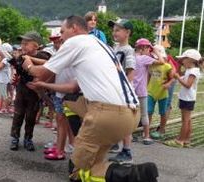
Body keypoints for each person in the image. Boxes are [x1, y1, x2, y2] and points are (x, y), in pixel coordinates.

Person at [22, 15, 158, 182]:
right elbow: (73, 87)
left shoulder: (75, 42)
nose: (61, 37)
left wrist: (28, 63)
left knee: (76, 172)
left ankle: (135, 175)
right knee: (93, 164)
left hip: (107, 114)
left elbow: (41, 72)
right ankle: (129, 173)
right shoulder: (102, 46)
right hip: (130, 115)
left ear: (74, 29)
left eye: (63, 32)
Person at [9, 31, 50, 152]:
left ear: (36, 46)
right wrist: (15, 77)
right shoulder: (21, 57)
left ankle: (28, 139)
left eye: (26, 44)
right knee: (18, 115)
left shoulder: (43, 56)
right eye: (22, 43)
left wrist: (29, 59)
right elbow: (18, 70)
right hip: (22, 90)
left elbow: (49, 64)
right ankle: (15, 138)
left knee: (31, 117)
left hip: (35, 93)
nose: (23, 46)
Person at [107, 18, 136, 164]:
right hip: (114, 89)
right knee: (115, 118)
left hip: (123, 91)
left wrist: (127, 90)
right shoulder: (115, 48)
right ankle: (114, 143)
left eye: (118, 30)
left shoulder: (128, 50)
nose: (114, 32)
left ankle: (127, 150)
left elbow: (131, 72)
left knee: (125, 121)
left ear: (127, 32)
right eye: (114, 30)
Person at [164, 49, 202, 148]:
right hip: (187, 98)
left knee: (185, 120)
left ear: (190, 60)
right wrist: (179, 66)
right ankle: (186, 140)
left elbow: (188, 85)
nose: (182, 61)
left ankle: (180, 140)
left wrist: (177, 77)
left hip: (187, 99)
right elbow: (182, 76)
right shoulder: (191, 70)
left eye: (183, 59)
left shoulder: (193, 71)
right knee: (188, 120)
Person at [133, 38, 165, 145]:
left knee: (131, 113)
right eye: (148, 48)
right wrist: (156, 51)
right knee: (144, 114)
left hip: (130, 91)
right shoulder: (144, 58)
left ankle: (128, 134)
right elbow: (162, 62)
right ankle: (146, 137)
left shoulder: (132, 57)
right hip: (141, 91)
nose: (149, 51)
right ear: (143, 48)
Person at [148, 46, 174, 140]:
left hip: (162, 93)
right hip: (151, 91)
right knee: (149, 111)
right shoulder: (151, 65)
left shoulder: (167, 66)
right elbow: (149, 77)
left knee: (162, 112)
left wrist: (168, 84)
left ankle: (161, 130)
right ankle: (146, 131)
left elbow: (172, 78)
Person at [0, 43, 13, 114]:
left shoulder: (5, 60)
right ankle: (7, 108)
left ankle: (4, 108)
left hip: (3, 80)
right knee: (5, 94)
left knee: (4, 94)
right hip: (5, 79)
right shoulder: (7, 59)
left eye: (0, 50)